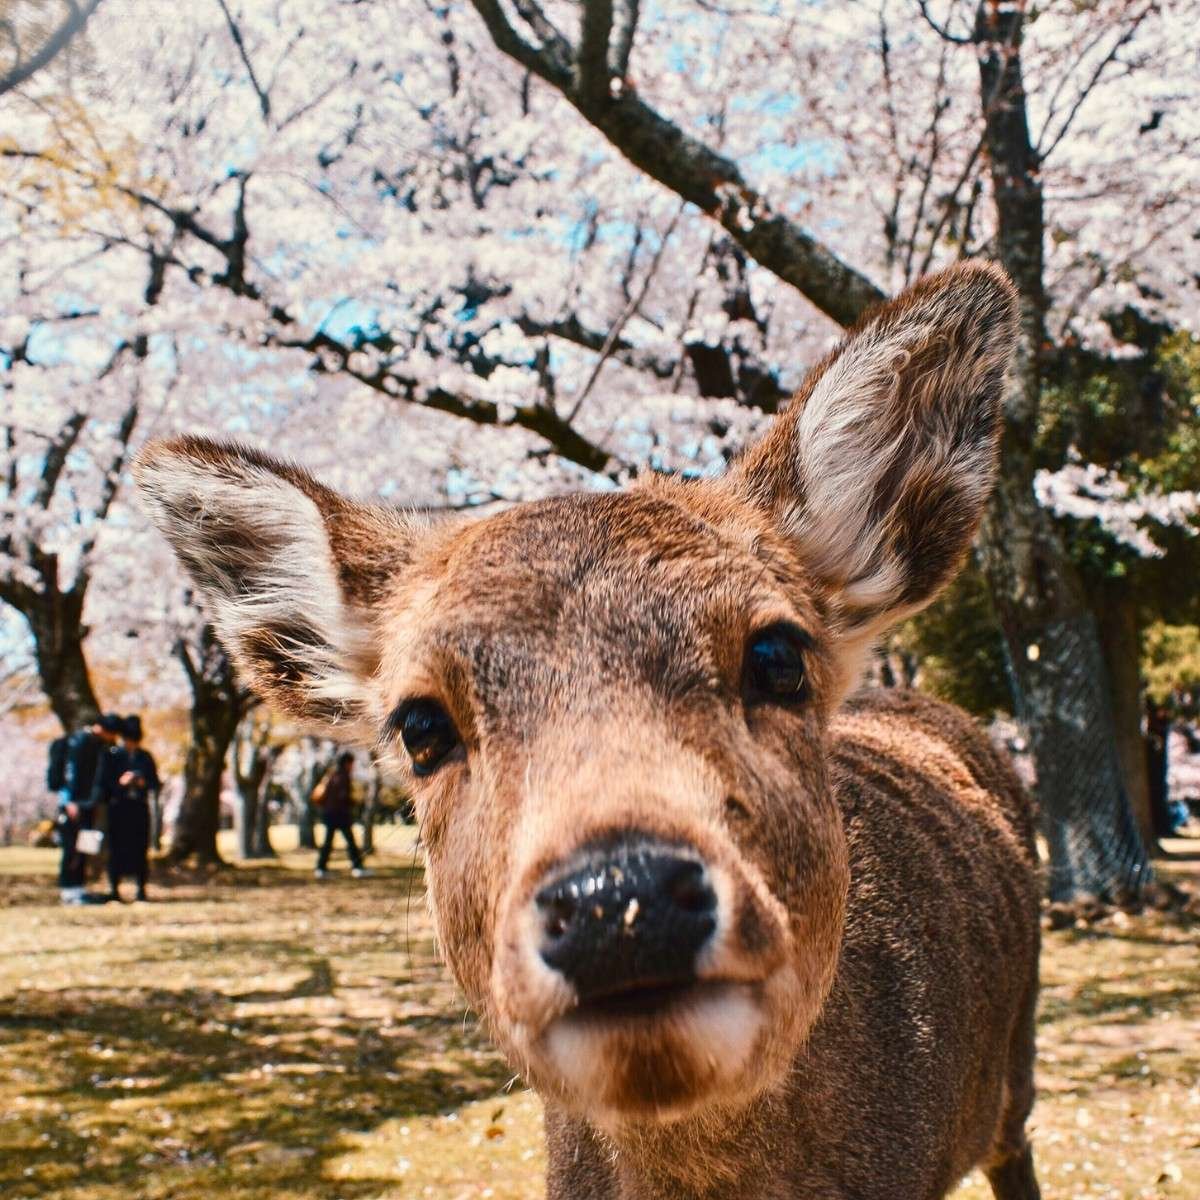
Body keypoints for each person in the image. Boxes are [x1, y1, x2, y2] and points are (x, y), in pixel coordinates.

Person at [56, 713, 123, 905]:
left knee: (85, 847)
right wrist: (70, 801)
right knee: (71, 848)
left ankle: (79, 886)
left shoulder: (100, 747)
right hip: (75, 804)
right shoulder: (80, 742)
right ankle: (68, 889)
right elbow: (71, 773)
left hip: (90, 804)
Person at [98, 715, 159, 902]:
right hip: (118, 808)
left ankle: (141, 889)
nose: (130, 744)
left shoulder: (145, 757)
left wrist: (142, 782)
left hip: (139, 808)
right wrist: (121, 783)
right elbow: (103, 785)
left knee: (140, 849)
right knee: (116, 849)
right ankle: (114, 889)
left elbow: (155, 783)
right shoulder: (112, 756)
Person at [314, 752, 370, 879]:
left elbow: (324, 797)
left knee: (328, 842)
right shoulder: (344, 777)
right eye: (352, 764)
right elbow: (343, 797)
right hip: (340, 814)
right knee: (350, 842)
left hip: (329, 813)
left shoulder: (331, 775)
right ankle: (357, 867)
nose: (353, 766)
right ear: (347, 763)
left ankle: (321, 868)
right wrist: (354, 802)